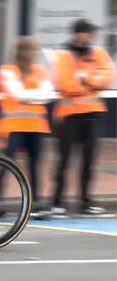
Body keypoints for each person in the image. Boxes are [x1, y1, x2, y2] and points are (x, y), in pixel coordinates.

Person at [51, 19, 115, 216]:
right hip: (69, 116)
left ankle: (86, 202)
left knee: (89, 161)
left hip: (93, 115)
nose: (90, 37)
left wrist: (85, 78)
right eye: (87, 33)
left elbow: (107, 79)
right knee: (64, 161)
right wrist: (90, 81)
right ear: (77, 34)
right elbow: (66, 84)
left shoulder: (99, 54)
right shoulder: (63, 55)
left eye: (91, 34)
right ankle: (58, 202)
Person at [0, 37, 55, 215]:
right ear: (21, 52)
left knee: (35, 165)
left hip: (36, 127)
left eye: (35, 51)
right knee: (5, 164)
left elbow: (48, 95)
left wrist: (30, 95)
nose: (34, 54)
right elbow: (17, 94)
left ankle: (37, 202)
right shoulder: (7, 71)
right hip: (12, 126)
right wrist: (36, 95)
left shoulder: (41, 71)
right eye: (31, 50)